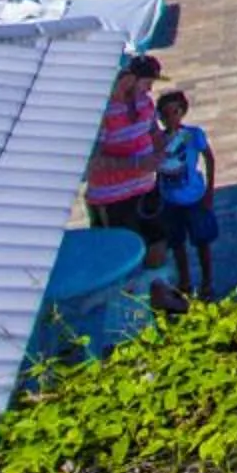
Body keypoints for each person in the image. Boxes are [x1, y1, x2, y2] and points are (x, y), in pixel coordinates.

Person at [85, 54, 165, 267]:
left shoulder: (144, 102)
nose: (149, 89)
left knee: (157, 245)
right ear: (129, 79)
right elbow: (93, 161)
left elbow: (153, 131)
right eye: (146, 82)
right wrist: (136, 164)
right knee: (122, 258)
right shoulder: (102, 111)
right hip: (114, 199)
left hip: (146, 189)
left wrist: (164, 148)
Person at [155, 90, 220, 301]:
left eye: (175, 111)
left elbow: (209, 158)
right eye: (165, 114)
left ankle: (207, 282)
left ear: (182, 112)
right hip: (170, 200)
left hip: (194, 198)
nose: (170, 117)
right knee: (177, 244)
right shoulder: (158, 140)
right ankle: (184, 281)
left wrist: (209, 189)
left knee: (202, 242)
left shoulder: (193, 134)